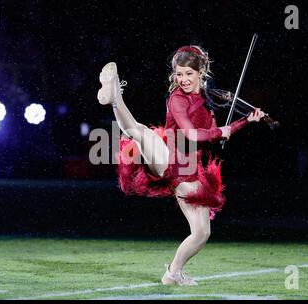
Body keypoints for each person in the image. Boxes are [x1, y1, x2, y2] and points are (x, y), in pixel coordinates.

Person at [97, 45, 265, 286]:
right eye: (179, 74)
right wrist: (222, 130)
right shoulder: (177, 99)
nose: (183, 79)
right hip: (169, 157)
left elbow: (215, 133)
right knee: (142, 133)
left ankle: (173, 273)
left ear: (201, 72)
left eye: (188, 74)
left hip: (188, 170)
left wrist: (245, 121)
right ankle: (115, 98)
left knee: (202, 233)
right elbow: (192, 133)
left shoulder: (206, 98)